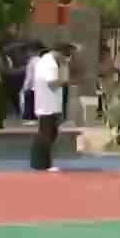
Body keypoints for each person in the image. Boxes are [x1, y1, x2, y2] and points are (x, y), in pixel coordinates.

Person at [30, 43, 73, 172]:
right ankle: (42, 163)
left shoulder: (44, 61)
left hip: (46, 103)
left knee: (48, 133)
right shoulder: (50, 64)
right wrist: (64, 74)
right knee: (47, 134)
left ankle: (39, 162)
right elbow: (52, 83)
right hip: (48, 104)